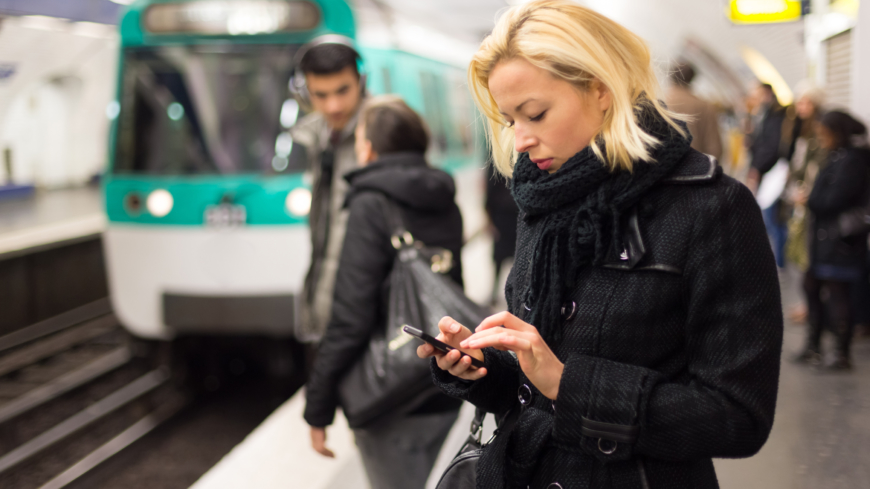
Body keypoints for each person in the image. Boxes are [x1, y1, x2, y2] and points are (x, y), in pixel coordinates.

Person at [417, 2, 783, 488]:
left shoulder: (712, 208)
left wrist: (569, 386)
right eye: (509, 120)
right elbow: (537, 383)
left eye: (536, 114)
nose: (520, 140)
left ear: (601, 89)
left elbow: (739, 416)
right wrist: (484, 368)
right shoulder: (542, 201)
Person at [304, 96, 464, 489]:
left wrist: (318, 406)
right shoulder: (445, 197)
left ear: (369, 147)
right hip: (443, 383)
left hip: (389, 395)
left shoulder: (369, 203)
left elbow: (350, 315)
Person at [290, 38, 366, 342]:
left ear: (361, 81)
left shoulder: (383, 129)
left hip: (363, 306)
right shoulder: (313, 136)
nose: (333, 105)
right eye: (320, 95)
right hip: (328, 295)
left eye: (342, 90)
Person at [794, 110, 870, 370]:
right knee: (812, 286)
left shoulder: (853, 160)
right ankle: (814, 346)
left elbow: (833, 199)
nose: (821, 138)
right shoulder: (841, 156)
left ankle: (840, 353)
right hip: (828, 237)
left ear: (838, 132)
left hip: (841, 239)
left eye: (824, 134)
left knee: (838, 293)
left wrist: (810, 200)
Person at [780, 86, 827, 323]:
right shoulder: (797, 128)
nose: (802, 108)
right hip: (798, 195)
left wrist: (806, 191)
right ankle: (807, 303)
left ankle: (812, 306)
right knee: (798, 252)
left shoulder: (819, 132)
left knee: (806, 252)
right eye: (800, 103)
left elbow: (816, 166)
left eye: (807, 103)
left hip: (809, 198)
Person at [745, 83, 788, 268]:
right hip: (767, 170)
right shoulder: (762, 113)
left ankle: (778, 262)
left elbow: (770, 146)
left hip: (771, 172)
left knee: (771, 218)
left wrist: (757, 167)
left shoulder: (775, 115)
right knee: (767, 217)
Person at [664, 61, 723, 161]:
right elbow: (715, 148)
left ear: (671, 76)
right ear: (692, 78)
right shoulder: (705, 106)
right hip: (695, 170)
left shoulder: (658, 102)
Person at [485, 161, 519, 306]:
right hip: (509, 214)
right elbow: (490, 190)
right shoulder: (499, 161)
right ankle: (512, 293)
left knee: (504, 257)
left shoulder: (498, 160)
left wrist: (488, 216)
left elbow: (489, 190)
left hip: (505, 214)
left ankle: (501, 292)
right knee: (508, 257)